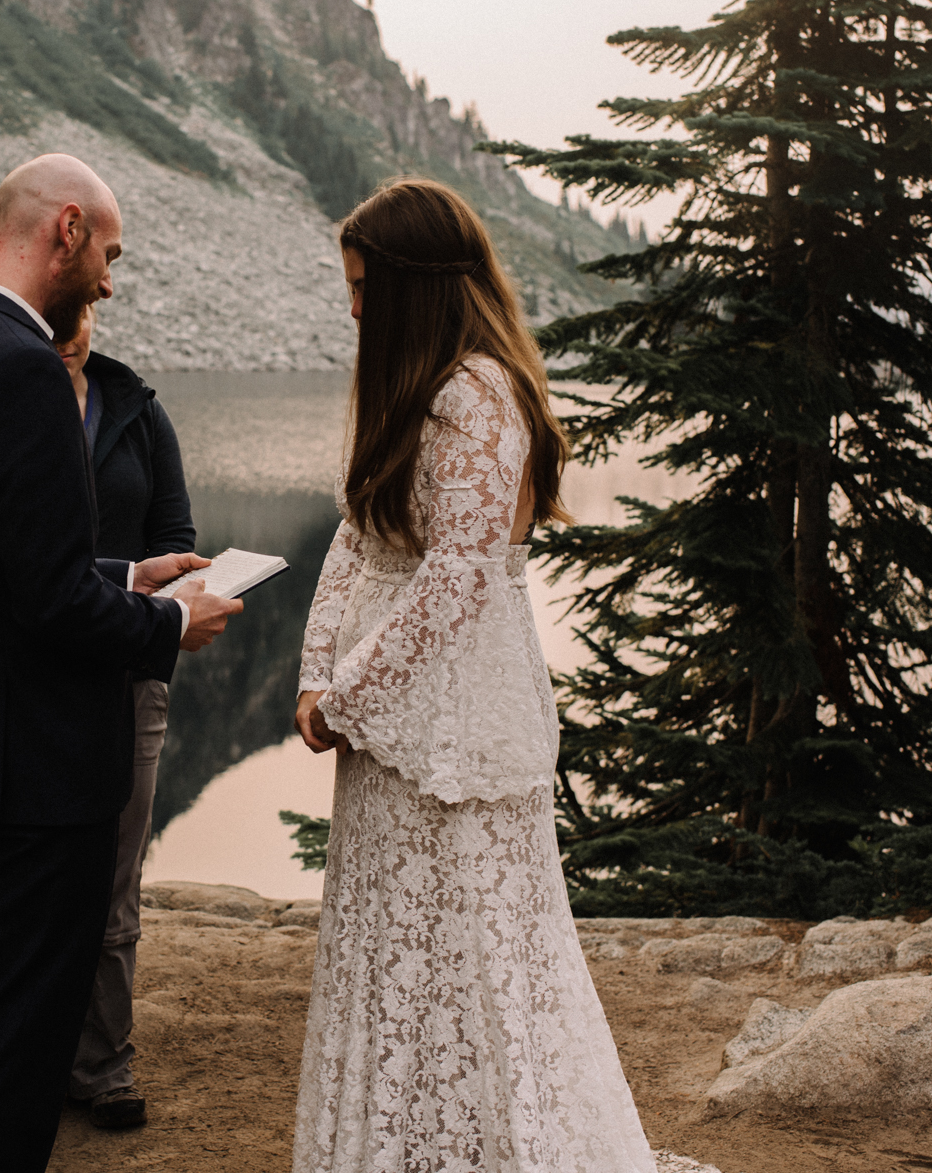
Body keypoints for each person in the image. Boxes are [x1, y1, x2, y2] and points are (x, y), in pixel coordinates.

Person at [0, 153, 244, 1173]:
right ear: (67, 228)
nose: (109, 282)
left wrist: (129, 572)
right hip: (48, 772)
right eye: (109, 255)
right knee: (22, 1040)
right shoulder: (26, 366)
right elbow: (46, 603)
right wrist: (170, 623)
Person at [290, 178, 656, 1173]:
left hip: (452, 723)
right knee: (390, 942)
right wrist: (314, 673)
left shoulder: (479, 394)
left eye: (365, 286)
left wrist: (350, 694)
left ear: (414, 285)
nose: (353, 305)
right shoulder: (405, 391)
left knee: (481, 947)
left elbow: (454, 578)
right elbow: (355, 537)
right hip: (381, 721)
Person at [53, 303, 193, 1130]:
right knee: (45, 868)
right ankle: (40, 1053)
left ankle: (103, 1063)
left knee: (116, 876)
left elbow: (176, 531)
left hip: (132, 675)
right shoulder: (14, 403)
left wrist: (174, 598)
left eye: (93, 305)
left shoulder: (138, 408)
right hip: (41, 679)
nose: (80, 318)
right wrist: (133, 579)